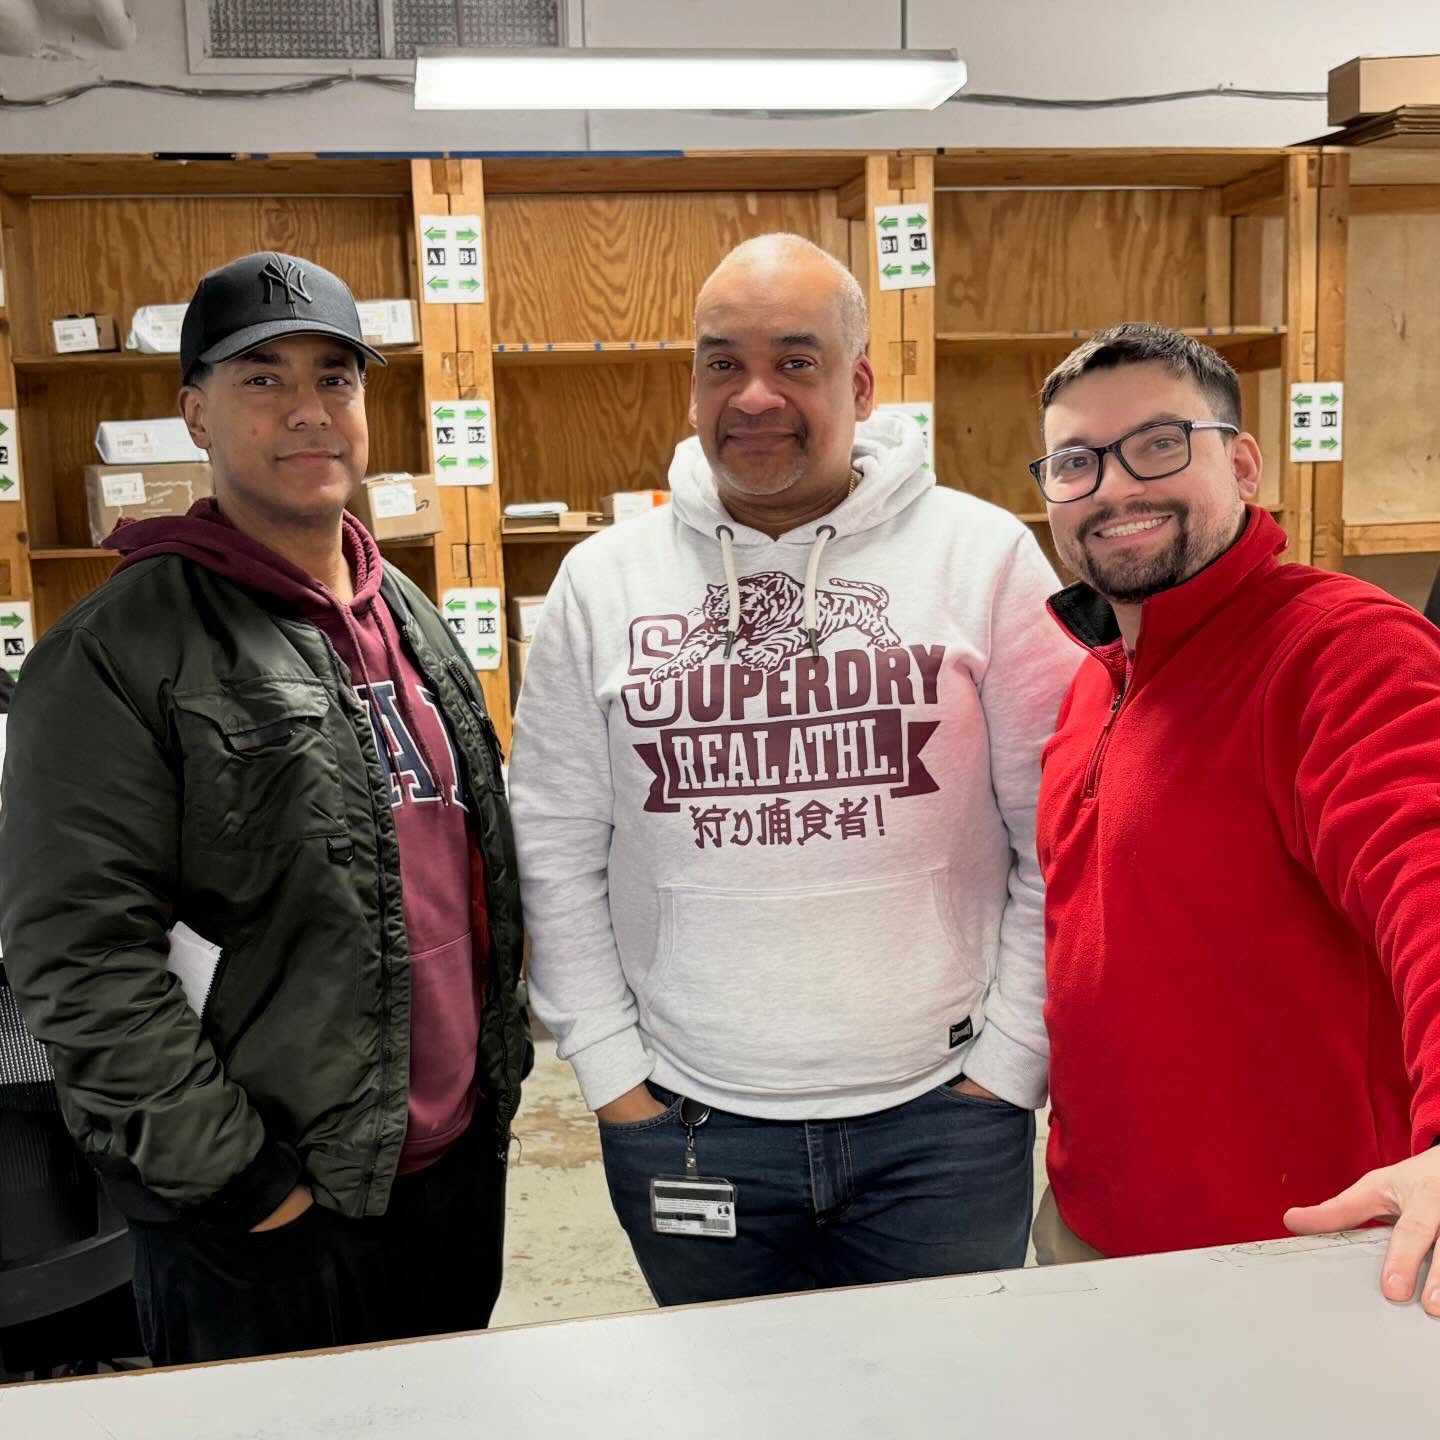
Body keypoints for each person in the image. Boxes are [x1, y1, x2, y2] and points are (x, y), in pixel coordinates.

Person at [507, 233, 1078, 1305]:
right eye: (723, 363)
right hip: (686, 1122)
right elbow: (553, 841)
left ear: (859, 384)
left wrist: (1006, 1068)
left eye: (795, 362)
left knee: (949, 1409)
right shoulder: (602, 583)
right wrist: (610, 1076)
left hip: (940, 1128)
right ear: (691, 388)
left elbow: (1058, 835)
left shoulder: (984, 556)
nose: (754, 396)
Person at [0, 252, 531, 1365]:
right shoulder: (115, 653)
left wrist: (492, 1102)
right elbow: (77, 956)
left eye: (335, 378)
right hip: (267, 1210)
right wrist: (241, 1182)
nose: (308, 411)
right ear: (194, 413)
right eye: (261, 380)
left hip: (443, 1176)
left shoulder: (412, 617)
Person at [1031, 322, 1440, 1316]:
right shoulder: (1098, 680)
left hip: (1299, 1265)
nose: (1117, 488)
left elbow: (1423, 871)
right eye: (1076, 463)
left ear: (1245, 463)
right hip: (1095, 1231)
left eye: (1161, 445)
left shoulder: (1340, 651)